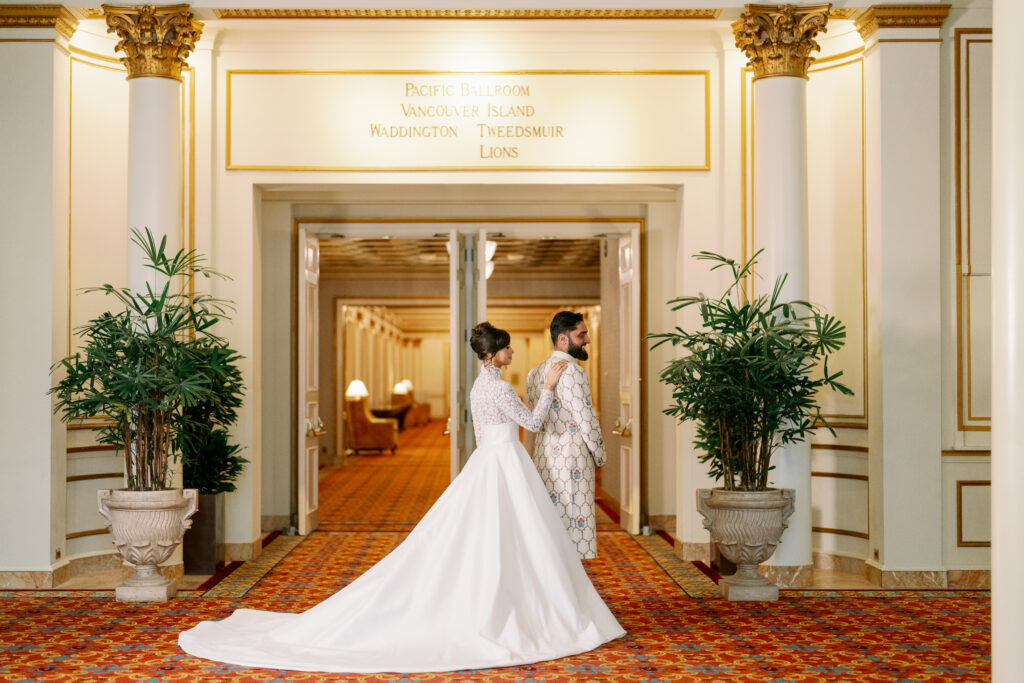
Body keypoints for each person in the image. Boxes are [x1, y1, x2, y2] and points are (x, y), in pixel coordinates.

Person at [177, 321, 625, 674]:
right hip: (503, 464)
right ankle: (518, 606)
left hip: (494, 462)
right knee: (510, 536)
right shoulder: (499, 386)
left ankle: (514, 599)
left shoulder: (479, 385)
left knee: (500, 537)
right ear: (492, 356)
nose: (511, 352)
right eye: (506, 347)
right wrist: (548, 387)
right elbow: (529, 422)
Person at [526, 311, 606, 560]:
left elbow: (533, 421)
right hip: (572, 461)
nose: (587, 340)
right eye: (581, 334)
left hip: (543, 458)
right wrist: (600, 454)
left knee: (550, 524)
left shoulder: (534, 373)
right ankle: (570, 591)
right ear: (563, 339)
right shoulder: (571, 371)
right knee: (572, 527)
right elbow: (585, 418)